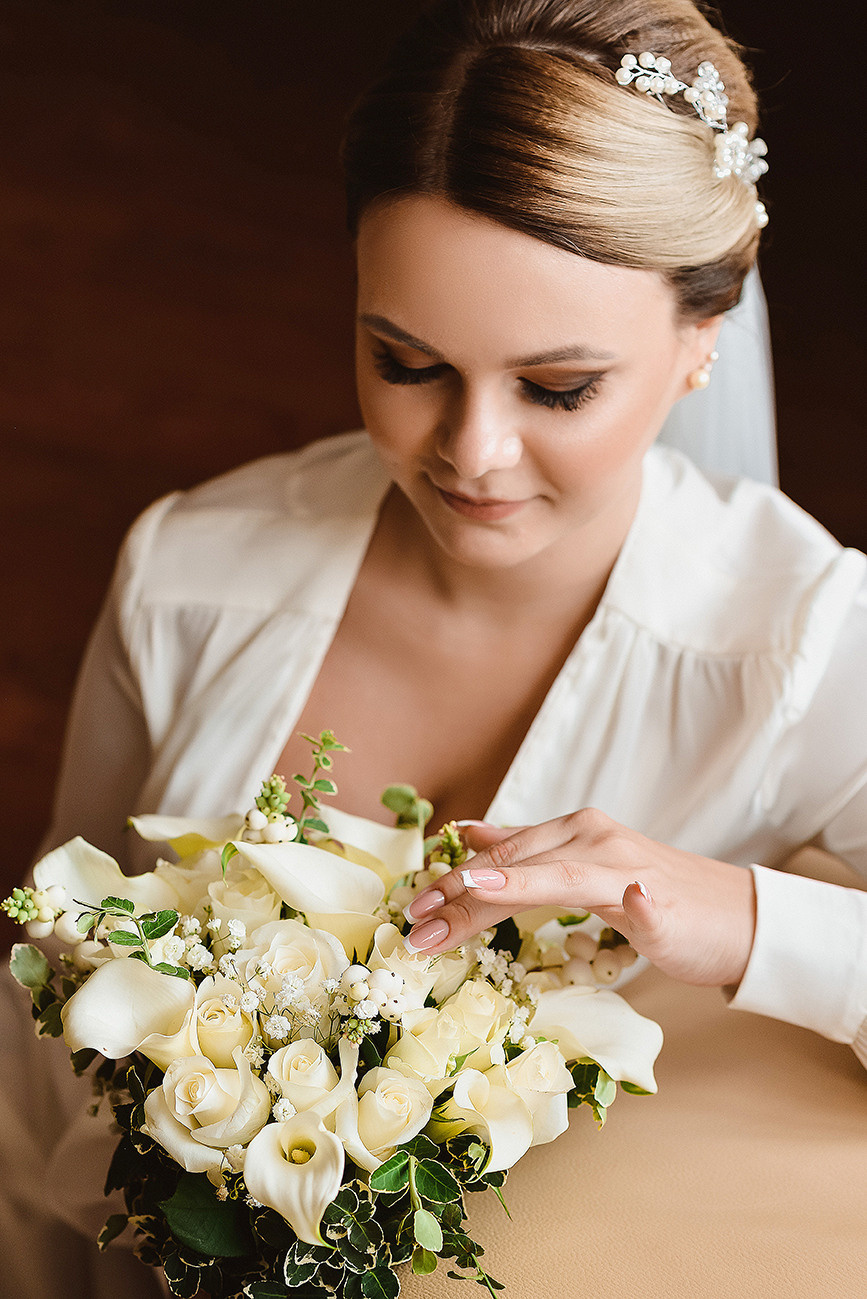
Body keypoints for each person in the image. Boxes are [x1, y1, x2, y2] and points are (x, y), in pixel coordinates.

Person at [3, 1, 866, 1295]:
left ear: (704, 338)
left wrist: (741, 920)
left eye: (558, 388)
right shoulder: (189, 581)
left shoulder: (798, 641)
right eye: (406, 363)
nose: (472, 454)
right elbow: (48, 1017)